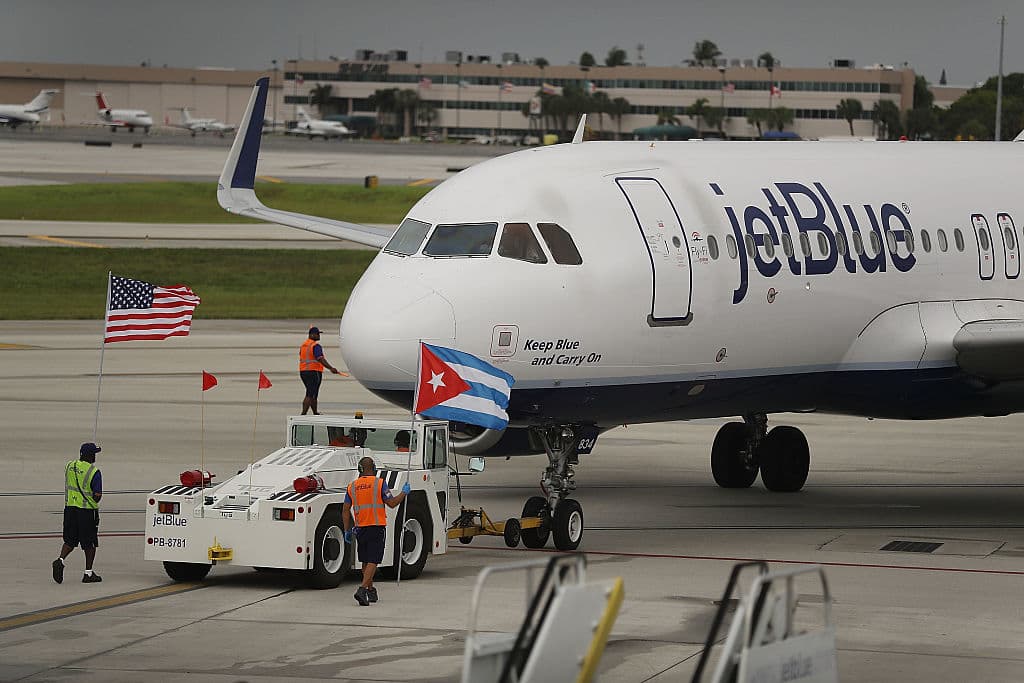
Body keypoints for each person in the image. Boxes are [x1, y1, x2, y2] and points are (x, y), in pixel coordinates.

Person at [343, 456, 411, 606]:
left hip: (359, 528)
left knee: (365, 561)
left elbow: (345, 510)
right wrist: (404, 493)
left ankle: (370, 590)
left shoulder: (352, 486)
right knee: (374, 560)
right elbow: (392, 503)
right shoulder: (379, 483)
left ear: (359, 469)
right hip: (376, 526)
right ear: (373, 468)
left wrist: (346, 529)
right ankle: (362, 589)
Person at [54, 442, 103, 584]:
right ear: (91, 455)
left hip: (70, 509)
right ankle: (88, 573)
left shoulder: (69, 466)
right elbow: (97, 495)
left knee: (70, 540)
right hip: (86, 511)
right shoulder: (94, 472)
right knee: (90, 544)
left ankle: (60, 560)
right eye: (94, 453)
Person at [299, 326, 341, 415]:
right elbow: (320, 359)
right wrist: (331, 368)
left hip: (303, 372)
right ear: (312, 335)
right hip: (314, 372)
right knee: (310, 393)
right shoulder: (315, 346)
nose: (319, 336)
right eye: (317, 334)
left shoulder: (303, 345)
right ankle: (303, 414)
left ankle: (315, 412)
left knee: (313, 393)